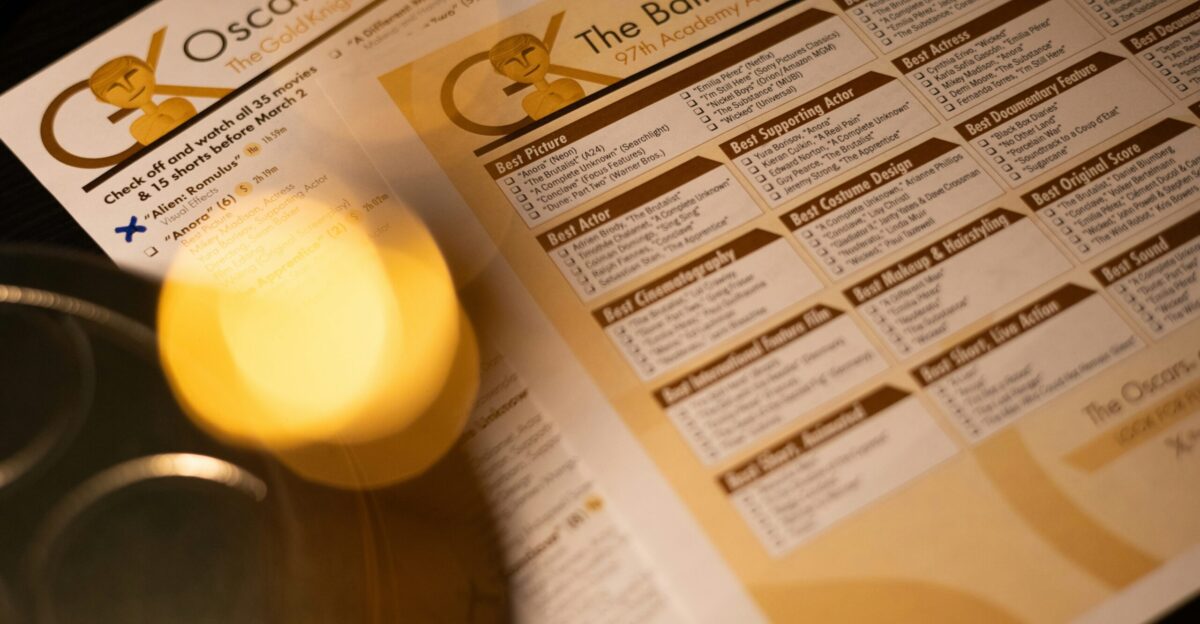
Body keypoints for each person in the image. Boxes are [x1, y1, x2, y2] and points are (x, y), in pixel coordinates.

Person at [88, 56, 196, 146]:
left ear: (149, 68)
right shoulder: (138, 128)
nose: (129, 87)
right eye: (113, 87)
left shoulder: (177, 103)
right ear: (103, 101)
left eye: (131, 74)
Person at [488, 34, 584, 121]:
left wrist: (555, 104)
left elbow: (579, 106)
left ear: (546, 47)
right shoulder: (528, 102)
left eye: (529, 51)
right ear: (502, 73)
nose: (525, 64)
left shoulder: (566, 83)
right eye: (511, 62)